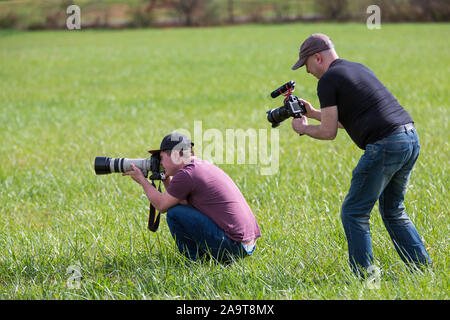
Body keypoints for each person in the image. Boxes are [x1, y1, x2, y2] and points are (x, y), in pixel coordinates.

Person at [290, 33, 431, 277]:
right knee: (393, 209)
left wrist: (303, 129)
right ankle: (421, 268)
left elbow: (328, 132)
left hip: (385, 145)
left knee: (354, 212)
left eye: (306, 64)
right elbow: (352, 120)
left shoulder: (327, 81)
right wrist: (313, 113)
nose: (307, 71)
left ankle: (364, 277)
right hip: (409, 138)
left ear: (317, 57)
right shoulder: (357, 68)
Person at [122, 132, 261, 262]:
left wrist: (142, 181)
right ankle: (207, 255)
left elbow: (162, 206)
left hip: (234, 246)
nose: (161, 163)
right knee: (178, 209)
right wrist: (165, 178)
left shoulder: (186, 175)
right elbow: (181, 201)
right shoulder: (200, 167)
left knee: (174, 214)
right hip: (247, 245)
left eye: (162, 158)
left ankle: (195, 260)